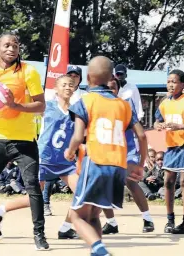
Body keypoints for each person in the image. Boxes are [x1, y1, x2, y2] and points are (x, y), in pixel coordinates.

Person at [0, 33, 48, 250]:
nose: (11, 48)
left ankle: (39, 234)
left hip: (24, 140)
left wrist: (16, 106)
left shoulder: (28, 71)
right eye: (7, 45)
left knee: (32, 186)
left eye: (15, 45)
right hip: (0, 137)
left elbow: (41, 105)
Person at [64, 56, 147, 256]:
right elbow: (142, 135)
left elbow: (77, 136)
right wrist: (140, 165)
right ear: (111, 77)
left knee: (77, 218)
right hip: (118, 167)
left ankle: (100, 249)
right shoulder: (124, 105)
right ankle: (97, 251)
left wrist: (70, 151)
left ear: (88, 77)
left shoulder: (85, 101)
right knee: (93, 215)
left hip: (96, 162)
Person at [0, 75, 79, 239]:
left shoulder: (76, 111)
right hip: (44, 158)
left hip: (64, 161)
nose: (68, 87)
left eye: (71, 85)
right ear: (55, 89)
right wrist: (13, 101)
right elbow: (27, 108)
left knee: (82, 193)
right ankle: (0, 210)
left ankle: (66, 228)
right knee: (34, 197)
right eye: (64, 85)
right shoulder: (47, 107)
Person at [101, 77, 154, 234]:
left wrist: (142, 159)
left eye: (113, 88)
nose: (110, 91)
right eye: (107, 88)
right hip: (108, 152)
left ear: (118, 90)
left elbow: (141, 135)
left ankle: (147, 219)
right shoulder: (99, 107)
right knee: (104, 186)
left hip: (127, 150)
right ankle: (111, 223)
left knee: (130, 182)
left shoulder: (125, 106)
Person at [153, 69, 184, 234]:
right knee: (168, 182)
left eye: (174, 81)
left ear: (182, 84)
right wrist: (158, 126)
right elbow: (157, 121)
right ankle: (170, 219)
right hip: (172, 147)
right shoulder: (165, 103)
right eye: (169, 82)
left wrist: (179, 126)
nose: (171, 85)